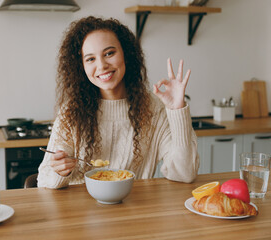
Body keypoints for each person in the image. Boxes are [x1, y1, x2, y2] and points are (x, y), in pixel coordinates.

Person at [37, 16, 199, 189]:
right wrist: (60, 170)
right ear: (81, 67)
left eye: (109, 53)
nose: (102, 65)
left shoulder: (154, 109)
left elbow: (185, 174)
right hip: (81, 212)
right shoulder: (71, 112)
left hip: (134, 210)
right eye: (90, 59)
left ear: (126, 55)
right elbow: (44, 180)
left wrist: (177, 110)